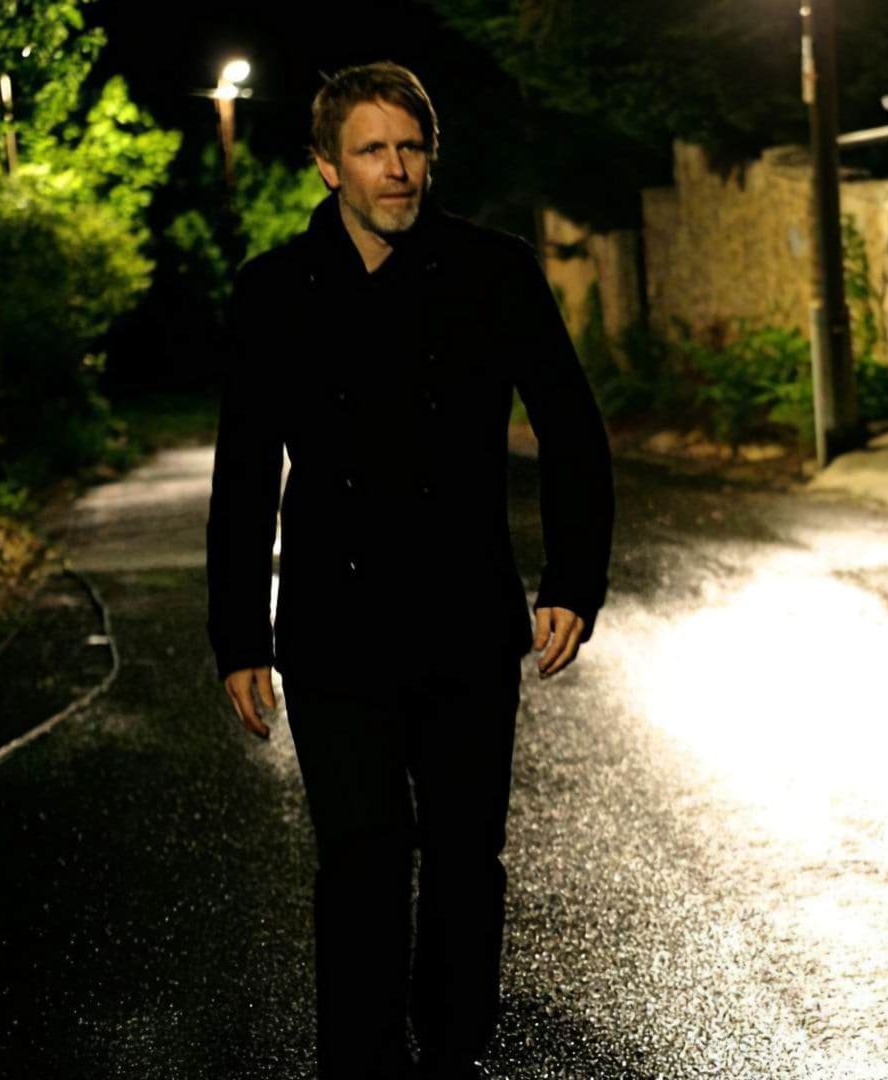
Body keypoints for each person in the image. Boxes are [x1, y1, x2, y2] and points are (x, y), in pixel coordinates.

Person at [204, 61, 614, 1080]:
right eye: (372, 150)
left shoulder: (492, 271)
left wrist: (573, 580)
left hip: (464, 616)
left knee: (467, 858)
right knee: (361, 855)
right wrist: (238, 635)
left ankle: (455, 1052)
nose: (396, 169)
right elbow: (245, 469)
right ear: (327, 166)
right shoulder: (275, 289)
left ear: (432, 156)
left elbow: (571, 428)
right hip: (334, 626)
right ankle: (360, 1059)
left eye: (411, 147)